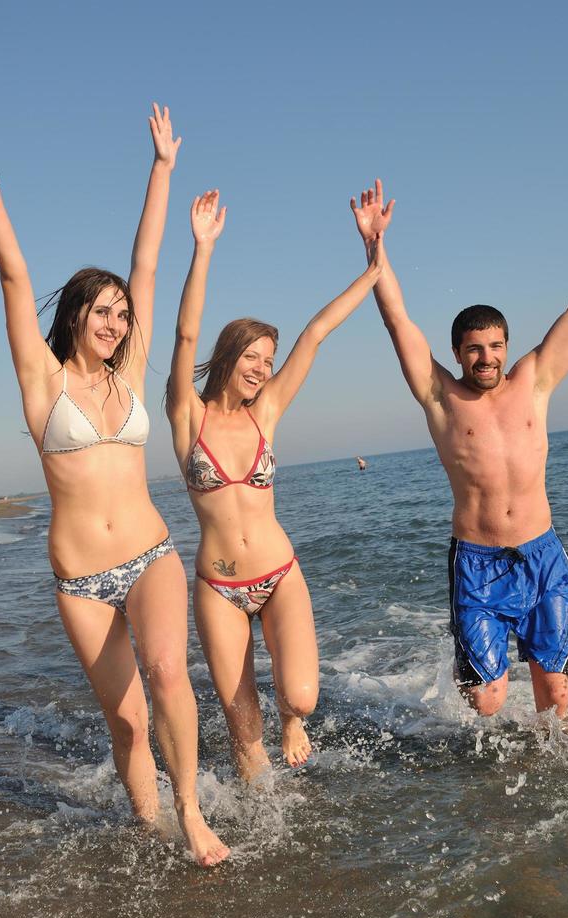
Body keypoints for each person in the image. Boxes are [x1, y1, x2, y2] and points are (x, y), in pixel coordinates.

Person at [0, 95, 229, 866]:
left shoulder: (130, 372)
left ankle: (192, 813)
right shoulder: (42, 381)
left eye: (122, 316)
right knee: (127, 718)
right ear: (74, 315)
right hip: (79, 579)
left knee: (169, 672)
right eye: (102, 312)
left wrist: (162, 167)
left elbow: (148, 259)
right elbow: (13, 274)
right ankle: (148, 824)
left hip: (149, 556)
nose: (115, 322)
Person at [352, 172, 568, 719]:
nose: (486, 358)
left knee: (556, 697)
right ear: (457, 353)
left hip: (543, 554)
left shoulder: (534, 382)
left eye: (495, 346)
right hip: (478, 563)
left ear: (507, 346)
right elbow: (397, 319)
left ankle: (556, 782)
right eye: (473, 349)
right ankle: (477, 690)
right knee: (488, 703)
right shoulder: (441, 398)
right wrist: (375, 246)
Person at [166, 190, 382, 779]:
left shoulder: (266, 415)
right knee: (244, 734)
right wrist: (202, 249)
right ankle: (262, 828)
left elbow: (315, 333)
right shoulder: (188, 416)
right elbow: (185, 338)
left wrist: (372, 268)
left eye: (269, 359)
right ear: (229, 353)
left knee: (303, 697)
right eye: (254, 357)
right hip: (220, 589)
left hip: (280, 573)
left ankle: (294, 718)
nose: (263, 368)